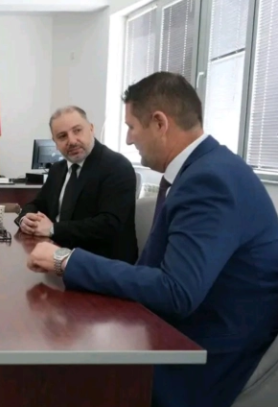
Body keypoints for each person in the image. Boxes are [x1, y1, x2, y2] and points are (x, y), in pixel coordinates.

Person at [26, 72, 278, 407]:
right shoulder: (201, 170)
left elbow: (177, 292)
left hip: (206, 349)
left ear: (159, 123)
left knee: (66, 372)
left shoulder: (210, 180)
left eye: (132, 127)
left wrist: (66, 260)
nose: (129, 139)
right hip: (174, 324)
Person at [15, 106, 138, 263]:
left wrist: (53, 229)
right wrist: (25, 219)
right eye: (62, 136)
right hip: (55, 256)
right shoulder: (57, 169)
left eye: (77, 131)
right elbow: (37, 204)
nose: (72, 141)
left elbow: (109, 224)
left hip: (101, 264)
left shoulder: (116, 166)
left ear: (91, 129)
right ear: (55, 142)